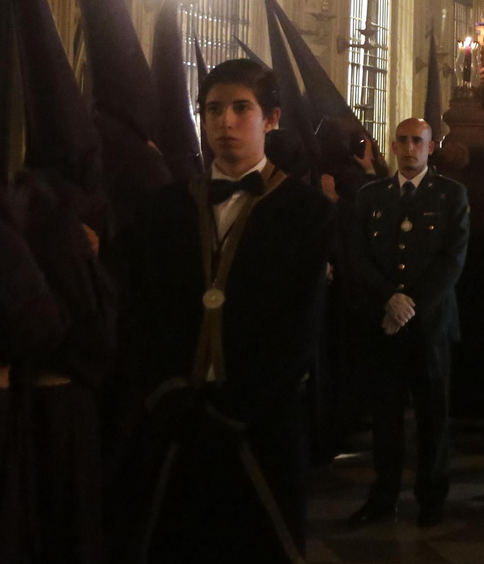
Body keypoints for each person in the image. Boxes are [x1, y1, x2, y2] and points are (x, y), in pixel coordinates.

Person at [121, 59, 332, 563]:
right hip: (180, 415)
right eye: (213, 109)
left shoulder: (306, 211)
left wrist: (240, 406)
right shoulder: (167, 207)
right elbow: (143, 307)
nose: (226, 122)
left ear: (271, 118)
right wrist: (167, 390)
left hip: (259, 420)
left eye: (242, 108)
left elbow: (299, 323)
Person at [344, 118, 469, 528]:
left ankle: (432, 497)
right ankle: (383, 496)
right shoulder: (370, 195)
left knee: (433, 416)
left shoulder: (451, 195)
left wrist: (409, 305)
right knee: (386, 418)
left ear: (431, 148)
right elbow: (358, 254)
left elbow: (452, 260)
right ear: (393, 146)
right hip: (384, 322)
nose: (410, 148)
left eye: (418, 141)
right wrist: (388, 299)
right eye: (402, 141)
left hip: (429, 324)